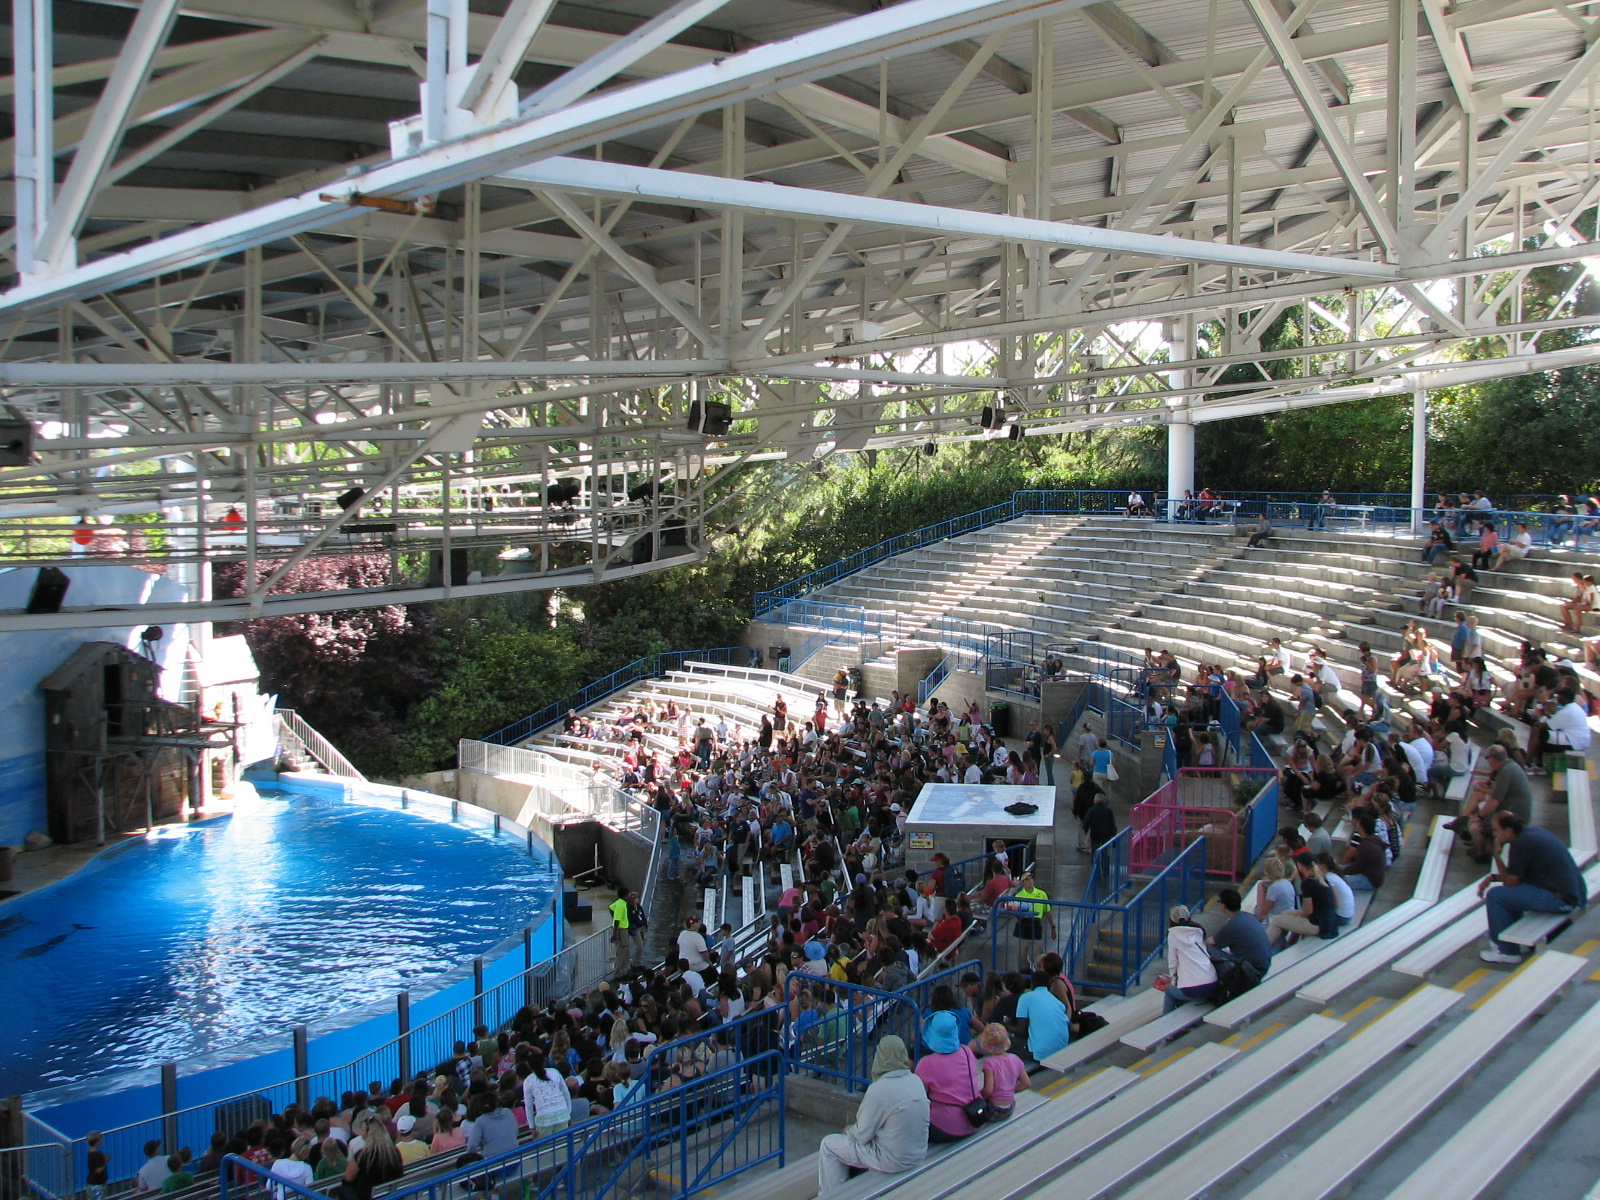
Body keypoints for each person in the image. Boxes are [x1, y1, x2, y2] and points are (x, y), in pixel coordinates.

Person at [816, 1036, 928, 1194]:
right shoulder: (916, 1081)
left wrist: (848, 1130)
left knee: (829, 1145)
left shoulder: (879, 1089)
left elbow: (861, 1135)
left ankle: (833, 1195)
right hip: (917, 1154)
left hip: (893, 1160)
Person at [1479, 812, 1588, 964]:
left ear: (1509, 831)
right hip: (1572, 894)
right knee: (1509, 894)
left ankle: (1506, 951)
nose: (1494, 834)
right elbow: (1515, 879)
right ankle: (1515, 942)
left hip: (1562, 899)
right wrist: (1493, 877)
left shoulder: (1521, 843)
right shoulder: (1531, 834)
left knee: (1496, 896)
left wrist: (1496, 854)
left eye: (1496, 830)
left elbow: (1510, 883)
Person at [915, 1010, 983, 1143]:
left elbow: (920, 1098)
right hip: (974, 1118)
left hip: (945, 1127)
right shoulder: (966, 1051)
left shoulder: (926, 1064)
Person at [1267, 851, 1338, 948]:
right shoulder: (1321, 878)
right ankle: (1289, 945)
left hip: (1319, 925)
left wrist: (1297, 917)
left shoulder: (1307, 884)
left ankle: (1264, 948)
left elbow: (1308, 911)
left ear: (1301, 866)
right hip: (1328, 923)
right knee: (1286, 913)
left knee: (1277, 920)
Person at [1156, 905, 1218, 1012]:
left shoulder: (1173, 935)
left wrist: (1172, 981)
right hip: (1213, 984)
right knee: (1182, 989)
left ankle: (1167, 1023)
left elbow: (1173, 962)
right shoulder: (1199, 931)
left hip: (1195, 990)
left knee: (1170, 992)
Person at [1011, 970, 1072, 1062]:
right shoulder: (1057, 1001)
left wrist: (1006, 1025)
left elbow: (1021, 1031)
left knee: (1004, 1042)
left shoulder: (1026, 997)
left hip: (1040, 1054)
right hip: (1061, 1051)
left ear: (1032, 983)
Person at [1211, 887, 1272, 975]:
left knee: (1209, 949)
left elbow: (1212, 942)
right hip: (1263, 966)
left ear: (1224, 906)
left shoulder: (1233, 925)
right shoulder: (1249, 917)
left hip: (1253, 971)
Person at [338, 1120, 404, 1200]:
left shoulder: (363, 1155)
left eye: (363, 1130)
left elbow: (348, 1178)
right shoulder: (394, 1151)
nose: (361, 1134)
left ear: (369, 1133)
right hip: (391, 1194)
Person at [976, 1024, 1030, 1120]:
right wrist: (1008, 1092)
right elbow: (1026, 1084)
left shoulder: (989, 1063)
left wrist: (979, 1098)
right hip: (1010, 1108)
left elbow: (988, 1090)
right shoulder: (1015, 1058)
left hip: (994, 1109)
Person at [608, 892, 632, 975]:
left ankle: (623, 970)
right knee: (622, 951)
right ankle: (619, 972)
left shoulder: (619, 902)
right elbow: (617, 921)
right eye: (628, 894)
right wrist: (615, 933)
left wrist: (613, 916)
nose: (629, 896)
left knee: (625, 950)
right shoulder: (621, 905)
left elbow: (610, 908)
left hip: (622, 930)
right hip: (622, 930)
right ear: (625, 895)